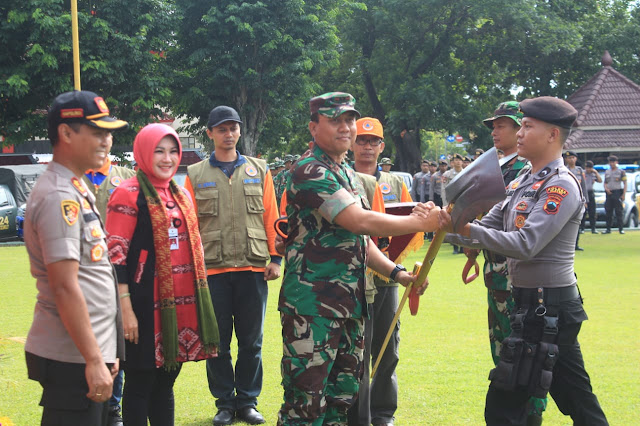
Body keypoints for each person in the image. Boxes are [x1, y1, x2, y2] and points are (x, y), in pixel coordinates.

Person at [437, 96, 608, 425]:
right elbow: (483, 230)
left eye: (528, 126)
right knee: (575, 399)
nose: (519, 133)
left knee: (507, 404)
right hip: (531, 306)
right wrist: (443, 227)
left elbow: (526, 244)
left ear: (552, 135)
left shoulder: (561, 185)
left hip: (550, 308)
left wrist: (466, 227)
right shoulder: (521, 182)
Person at [277, 92, 440, 426]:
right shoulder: (309, 170)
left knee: (342, 400)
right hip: (313, 308)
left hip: (350, 306)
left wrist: (398, 274)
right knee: (305, 406)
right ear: (313, 127)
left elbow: (362, 242)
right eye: (335, 120)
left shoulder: (349, 175)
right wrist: (419, 222)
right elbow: (358, 221)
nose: (345, 127)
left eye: (349, 119)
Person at [24, 90, 127, 426]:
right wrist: (94, 359)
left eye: (108, 132)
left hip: (85, 352)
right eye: (97, 132)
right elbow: (65, 287)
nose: (107, 141)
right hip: (73, 358)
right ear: (66, 133)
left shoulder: (75, 187)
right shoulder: (59, 196)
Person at [105, 124, 219, 426]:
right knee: (141, 383)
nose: (167, 158)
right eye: (159, 151)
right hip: (142, 306)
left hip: (180, 306)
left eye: (172, 151)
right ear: (143, 152)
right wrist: (125, 309)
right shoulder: (127, 193)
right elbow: (115, 255)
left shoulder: (180, 194)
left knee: (166, 381)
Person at [184, 105, 282, 426]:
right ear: (210, 133)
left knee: (252, 342)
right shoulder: (196, 175)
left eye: (233, 128)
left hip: (253, 268)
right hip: (212, 270)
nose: (229, 134)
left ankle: (248, 402)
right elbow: (189, 225)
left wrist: (277, 259)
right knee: (218, 343)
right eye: (222, 129)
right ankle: (225, 403)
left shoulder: (259, 169)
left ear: (240, 131)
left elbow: (272, 217)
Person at [479, 100, 545, 424]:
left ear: (521, 127)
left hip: (515, 275)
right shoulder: (497, 166)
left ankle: (528, 416)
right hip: (495, 271)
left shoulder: (524, 171)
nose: (495, 131)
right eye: (493, 125)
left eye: (500, 124)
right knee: (503, 350)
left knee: (522, 352)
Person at [348, 117, 414, 426]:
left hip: (387, 275)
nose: (366, 147)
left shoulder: (396, 183)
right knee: (354, 346)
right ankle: (356, 411)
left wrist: (395, 264)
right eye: (361, 140)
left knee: (387, 345)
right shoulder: (342, 179)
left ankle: (383, 412)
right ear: (351, 143)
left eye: (373, 142)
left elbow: (412, 228)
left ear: (382, 147)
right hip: (350, 275)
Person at [84, 148, 135, 426]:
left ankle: (113, 406)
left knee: (116, 342)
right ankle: (86, 400)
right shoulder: (73, 177)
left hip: (117, 274)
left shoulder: (127, 178)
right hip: (81, 274)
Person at [563, 150, 587, 250]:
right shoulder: (563, 170)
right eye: (569, 158)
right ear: (565, 159)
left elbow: (584, 187)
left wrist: (586, 201)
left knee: (576, 224)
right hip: (567, 200)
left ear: (576, 159)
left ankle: (575, 245)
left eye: (573, 157)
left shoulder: (580, 171)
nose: (571, 159)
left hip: (579, 200)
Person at [442, 153, 463, 254]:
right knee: (453, 225)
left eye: (459, 160)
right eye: (456, 160)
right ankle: (455, 247)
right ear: (453, 162)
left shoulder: (466, 172)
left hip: (464, 203)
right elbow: (443, 190)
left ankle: (463, 247)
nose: (458, 162)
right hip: (452, 203)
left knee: (464, 224)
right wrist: (445, 204)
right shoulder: (447, 175)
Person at [603, 155, 626, 234]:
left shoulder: (621, 172)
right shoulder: (607, 172)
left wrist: (623, 194)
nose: (612, 164)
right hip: (609, 193)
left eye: (613, 162)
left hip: (617, 192)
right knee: (608, 211)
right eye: (610, 162)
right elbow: (605, 182)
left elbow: (625, 183)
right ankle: (608, 229)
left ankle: (621, 229)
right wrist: (606, 189)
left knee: (618, 211)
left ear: (616, 162)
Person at [583, 160, 602, 233]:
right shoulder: (582, 173)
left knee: (592, 212)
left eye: (590, 168)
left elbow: (600, 181)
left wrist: (596, 172)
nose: (588, 169)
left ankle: (593, 228)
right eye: (587, 167)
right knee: (583, 212)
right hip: (584, 192)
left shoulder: (593, 174)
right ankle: (582, 228)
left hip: (591, 193)